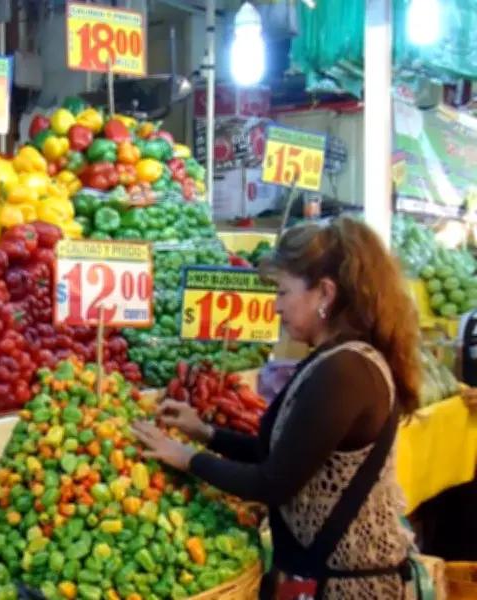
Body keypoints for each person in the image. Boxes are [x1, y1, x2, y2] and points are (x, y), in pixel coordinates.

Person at [134, 217, 422, 599]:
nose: (275, 308)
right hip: (325, 575)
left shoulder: (345, 371)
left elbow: (273, 482)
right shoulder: (331, 360)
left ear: (324, 293)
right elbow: (285, 454)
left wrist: (187, 458)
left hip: (350, 585)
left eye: (283, 292)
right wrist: (205, 433)